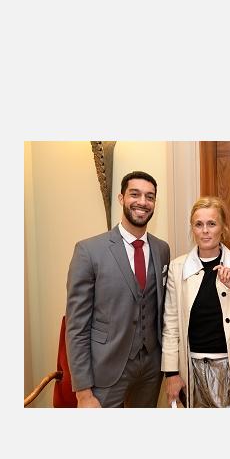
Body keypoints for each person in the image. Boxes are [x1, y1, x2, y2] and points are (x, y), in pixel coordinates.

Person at [65, 171, 171, 408]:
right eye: (135, 194)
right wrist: (83, 392)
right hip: (106, 368)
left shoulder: (162, 249)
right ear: (122, 198)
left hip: (151, 368)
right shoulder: (89, 251)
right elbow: (77, 326)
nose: (142, 202)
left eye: (150, 197)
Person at [162, 197, 230, 408]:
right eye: (199, 224)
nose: (205, 231)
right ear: (192, 229)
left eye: (212, 224)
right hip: (191, 367)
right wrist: (171, 373)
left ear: (223, 228)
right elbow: (171, 325)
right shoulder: (177, 268)